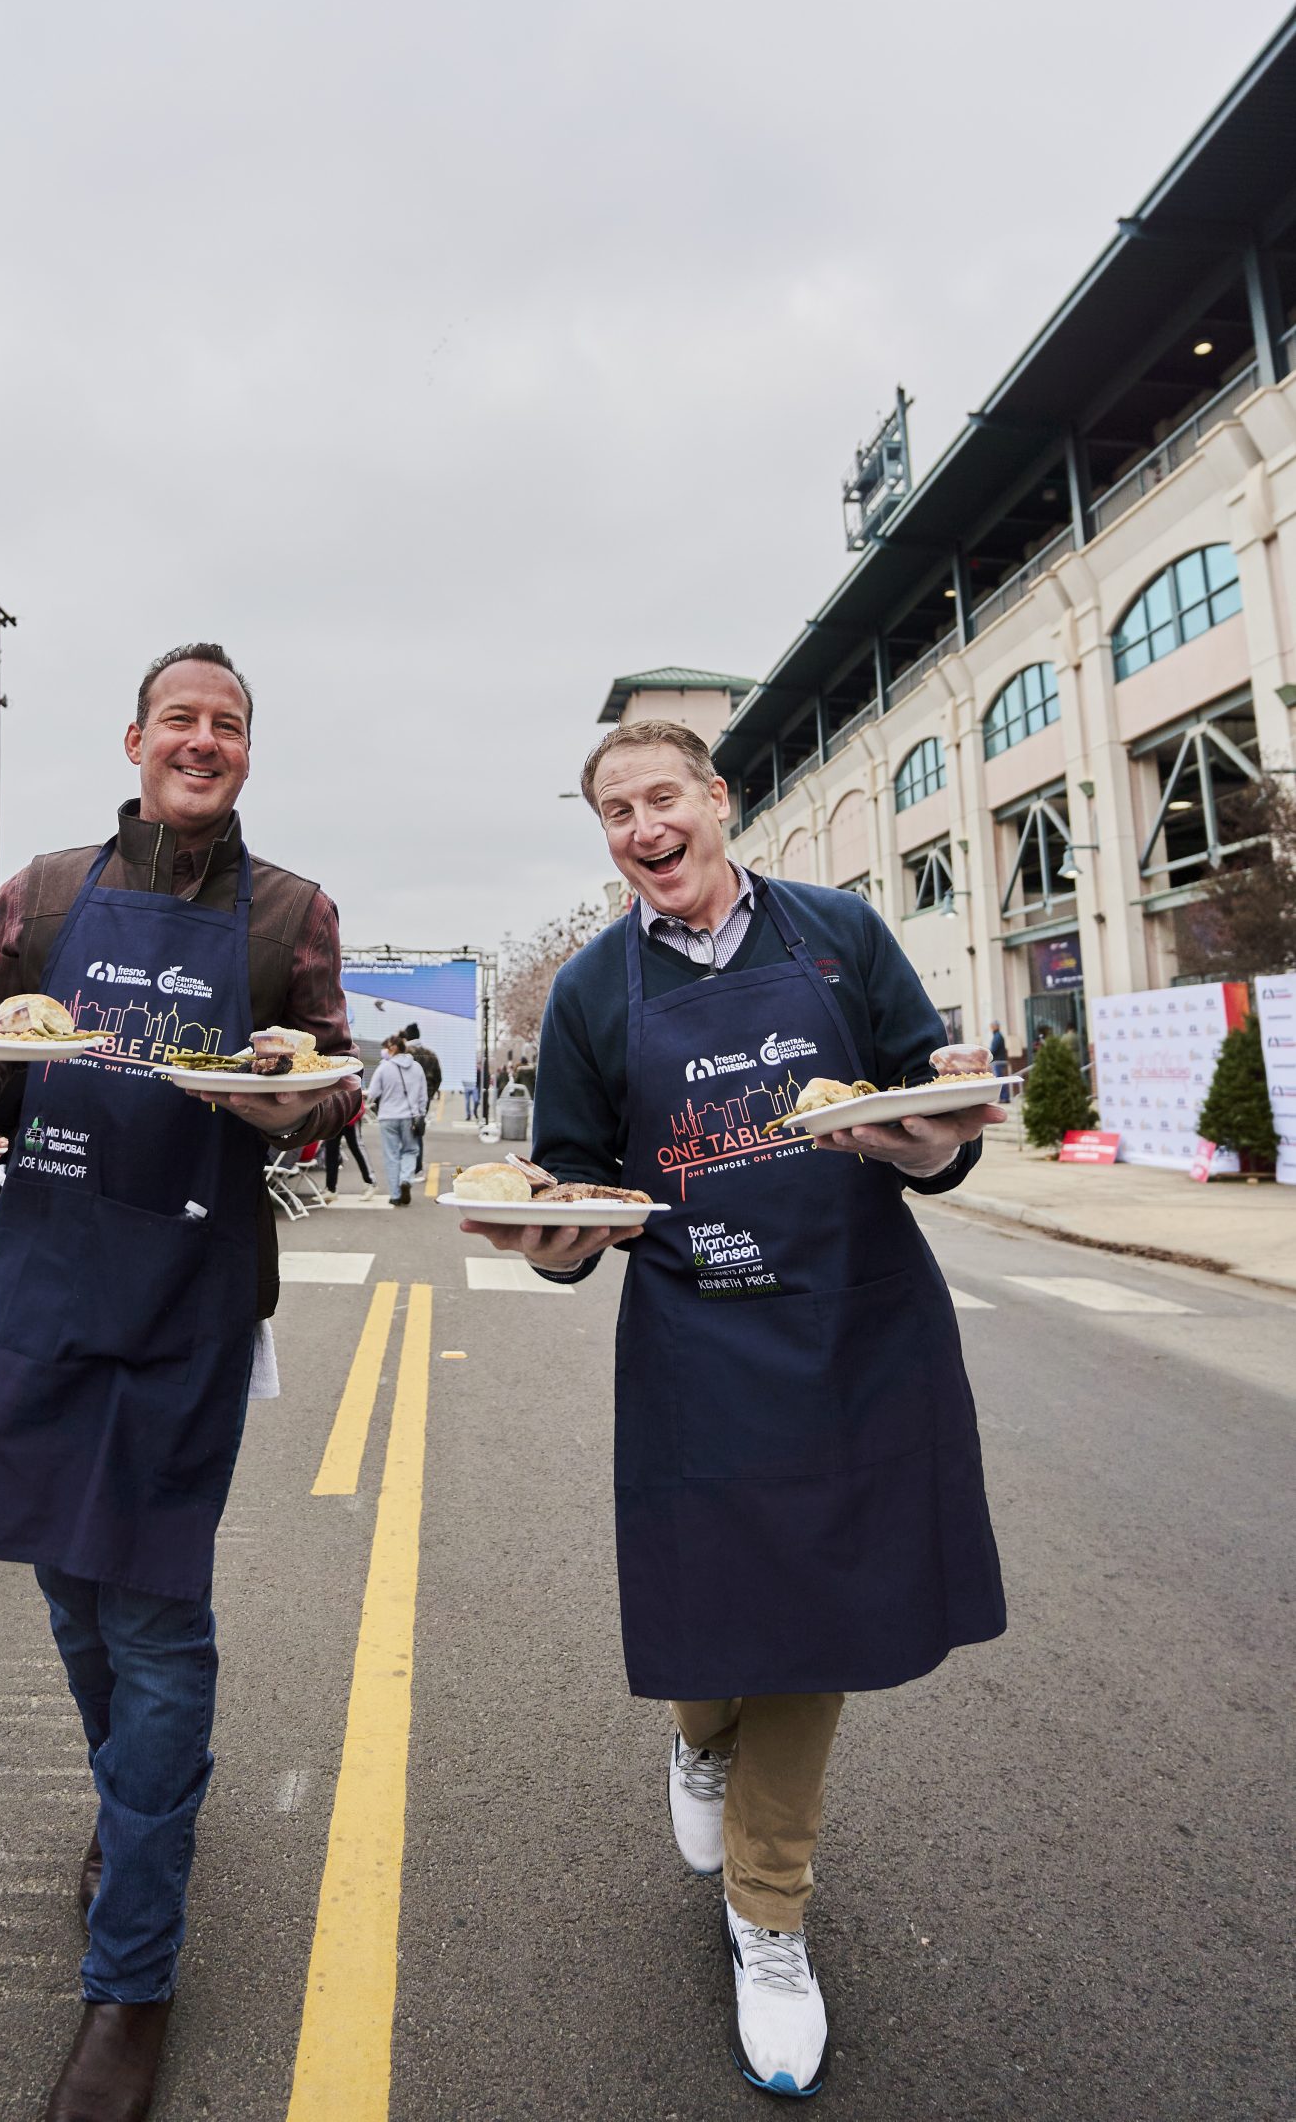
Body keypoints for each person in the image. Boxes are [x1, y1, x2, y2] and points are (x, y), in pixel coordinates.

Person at [461, 721, 1005, 2102]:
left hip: (855, 1325)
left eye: (661, 798)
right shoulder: (590, 992)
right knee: (714, 1603)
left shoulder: (834, 934)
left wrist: (926, 1138)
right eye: (612, 812)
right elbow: (579, 1191)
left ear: (715, 802)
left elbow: (931, 1117)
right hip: (698, 1333)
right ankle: (697, 1741)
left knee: (815, 1620)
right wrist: (550, 1239)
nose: (642, 827)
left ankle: (768, 1920)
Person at [0, 641, 357, 2122]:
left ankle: (131, 1979)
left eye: (229, 726)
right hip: (43, 1280)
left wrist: (299, 1102)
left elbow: (319, 1079)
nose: (204, 741)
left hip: (186, 1295)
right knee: (65, 1586)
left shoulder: (289, 908)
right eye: (182, 719)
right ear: (134, 738)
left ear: (245, 753)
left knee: (156, 1616)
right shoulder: (41, 890)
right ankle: (137, 1808)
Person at [365, 1032, 427, 1204]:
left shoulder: (384, 1067)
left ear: (392, 1049)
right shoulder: (417, 1068)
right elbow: (423, 1096)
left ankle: (395, 1195)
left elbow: (373, 1093)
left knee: (391, 1155)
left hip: (388, 1117)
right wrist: (420, 1113)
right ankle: (406, 1179)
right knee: (410, 1150)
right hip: (410, 1116)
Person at [401, 1025, 442, 1169]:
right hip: (424, 1100)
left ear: (406, 1037)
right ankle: (417, 1166)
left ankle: (406, 1165)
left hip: (404, 1099)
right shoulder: (431, 1055)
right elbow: (438, 1078)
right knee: (418, 1130)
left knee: (403, 1132)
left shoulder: (402, 1054)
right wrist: (429, 1094)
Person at [322, 1096, 374, 1198]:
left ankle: (371, 1183)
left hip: (350, 1116)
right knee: (331, 1152)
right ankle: (331, 1188)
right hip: (334, 1117)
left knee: (357, 1149)